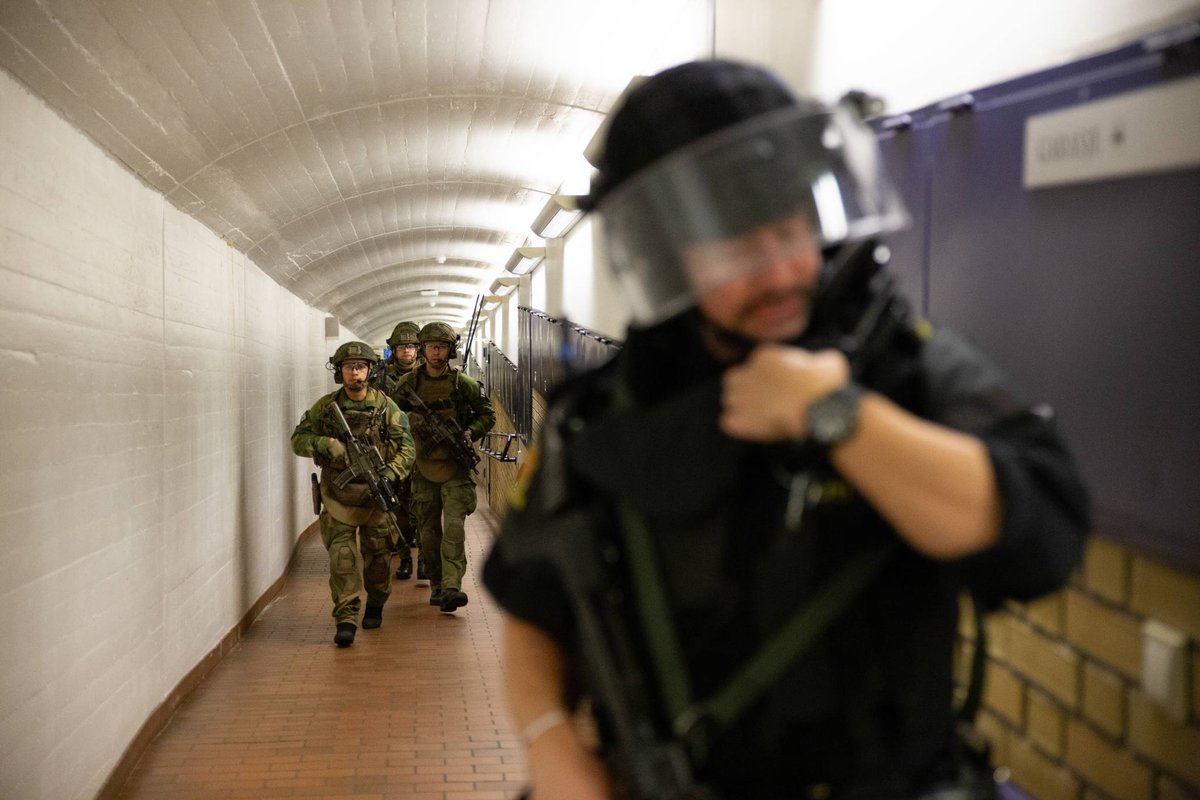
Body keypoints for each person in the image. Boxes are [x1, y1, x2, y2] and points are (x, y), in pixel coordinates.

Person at [481, 60, 1090, 799]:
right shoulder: (603, 417)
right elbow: (535, 605)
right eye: (735, 248)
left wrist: (836, 415)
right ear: (664, 256)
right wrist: (551, 747)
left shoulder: (898, 360)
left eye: (790, 229)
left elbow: (1040, 537)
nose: (778, 272)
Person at [292, 341, 416, 647]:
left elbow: (407, 448)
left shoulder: (387, 407)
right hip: (337, 496)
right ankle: (345, 617)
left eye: (360, 367)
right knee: (342, 560)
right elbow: (299, 439)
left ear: (370, 371)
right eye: (349, 368)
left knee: (377, 559)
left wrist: (391, 472)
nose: (355, 373)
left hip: (375, 498)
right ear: (340, 372)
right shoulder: (325, 408)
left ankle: (376, 602)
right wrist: (322, 444)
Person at [392, 322, 496, 613]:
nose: (436, 352)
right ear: (423, 349)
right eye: (431, 347)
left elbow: (486, 415)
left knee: (453, 528)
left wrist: (469, 433)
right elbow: (389, 418)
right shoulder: (408, 385)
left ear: (450, 350)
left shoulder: (463, 384)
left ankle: (452, 586)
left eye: (442, 347)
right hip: (422, 468)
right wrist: (411, 423)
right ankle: (437, 584)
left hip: (455, 467)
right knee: (427, 532)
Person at [379, 320, 423, 581]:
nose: (407, 352)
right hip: (391, 450)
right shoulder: (380, 377)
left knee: (420, 502)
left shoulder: (428, 374)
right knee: (397, 503)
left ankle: (420, 551)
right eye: (402, 347)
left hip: (423, 449)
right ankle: (403, 553)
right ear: (393, 350)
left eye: (411, 346)